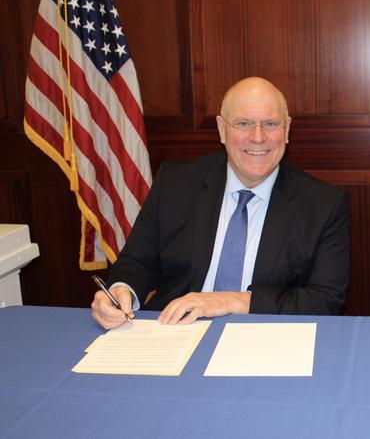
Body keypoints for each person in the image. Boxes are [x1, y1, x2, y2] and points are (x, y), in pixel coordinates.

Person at [92, 77, 350, 328]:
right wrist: (119, 291)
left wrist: (232, 301)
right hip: (176, 331)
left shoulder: (323, 204)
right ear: (221, 129)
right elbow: (137, 261)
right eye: (244, 123)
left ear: (287, 130)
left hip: (265, 335)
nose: (258, 137)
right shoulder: (176, 183)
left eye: (270, 123)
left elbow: (324, 300)